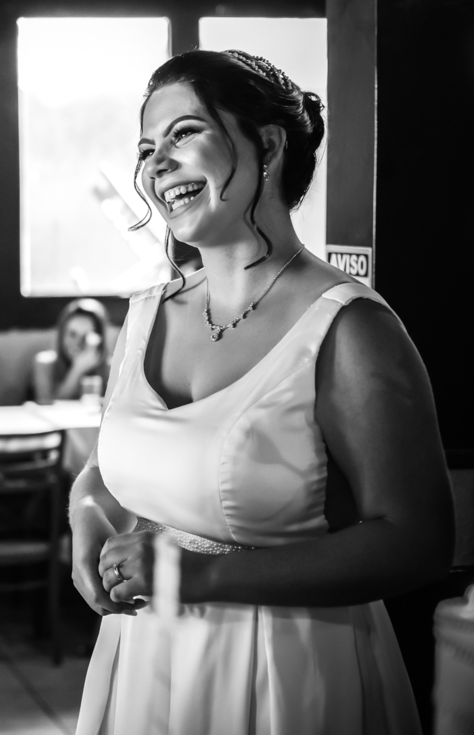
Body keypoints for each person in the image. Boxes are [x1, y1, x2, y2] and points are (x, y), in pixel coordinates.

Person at [69, 49, 452, 735]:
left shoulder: (348, 327)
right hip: (146, 660)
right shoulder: (145, 314)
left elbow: (417, 540)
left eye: (184, 134)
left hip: (288, 671)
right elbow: (108, 467)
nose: (156, 165)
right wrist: (86, 518)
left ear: (267, 144)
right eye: (147, 148)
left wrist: (199, 578)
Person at [31, 299, 110, 403]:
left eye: (86, 337)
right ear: (62, 335)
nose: (78, 343)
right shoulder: (44, 364)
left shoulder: (111, 368)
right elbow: (47, 406)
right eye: (72, 334)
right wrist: (77, 369)